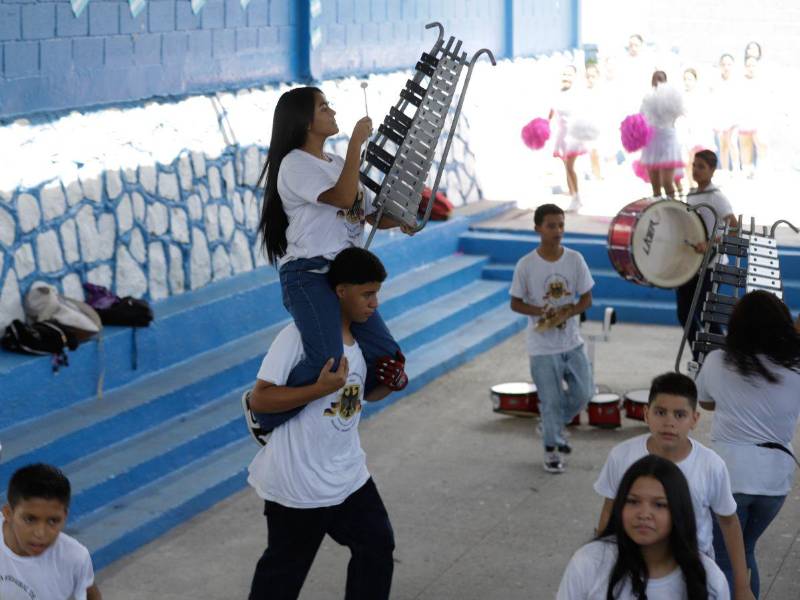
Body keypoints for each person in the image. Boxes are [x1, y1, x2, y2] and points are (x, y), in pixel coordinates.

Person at [254, 86, 409, 435]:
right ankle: (265, 416)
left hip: (344, 277)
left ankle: (338, 402)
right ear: (305, 122)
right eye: (324, 107)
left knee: (388, 361)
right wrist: (356, 142)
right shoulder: (294, 164)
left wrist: (403, 219)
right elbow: (342, 196)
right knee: (327, 357)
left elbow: (371, 214)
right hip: (308, 275)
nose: (332, 111)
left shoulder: (336, 164)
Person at [243, 247, 396, 600]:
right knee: (282, 577)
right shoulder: (298, 337)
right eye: (367, 294)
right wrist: (318, 388)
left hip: (348, 474)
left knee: (377, 546)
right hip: (298, 482)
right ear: (340, 291)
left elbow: (363, 397)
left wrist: (388, 383)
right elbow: (260, 399)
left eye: (377, 294)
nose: (375, 304)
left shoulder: (363, 340)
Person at [594, 372, 754, 600]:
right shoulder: (621, 456)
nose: (669, 422)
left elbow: (729, 522)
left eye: (680, 414)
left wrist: (742, 586)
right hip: (630, 566)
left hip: (692, 573)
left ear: (695, 419)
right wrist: (600, 563)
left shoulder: (711, 466)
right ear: (646, 413)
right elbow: (609, 509)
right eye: (660, 412)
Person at [696, 291, 800, 598]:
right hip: (775, 482)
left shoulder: (717, 361)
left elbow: (705, 402)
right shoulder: (796, 370)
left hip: (731, 476)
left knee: (728, 560)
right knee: (746, 551)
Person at [558, 455, 730, 599]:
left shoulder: (710, 578)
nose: (644, 514)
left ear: (679, 511)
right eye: (633, 501)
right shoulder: (589, 562)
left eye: (659, 505)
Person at [509, 203, 594, 474]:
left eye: (561, 225)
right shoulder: (526, 264)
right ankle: (552, 450)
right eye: (551, 225)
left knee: (584, 392)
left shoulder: (575, 259)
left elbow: (586, 299)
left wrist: (569, 311)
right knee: (551, 400)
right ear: (537, 228)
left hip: (572, 340)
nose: (558, 231)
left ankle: (551, 425)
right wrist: (541, 311)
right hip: (541, 346)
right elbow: (516, 303)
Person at [1, 463, 102, 600]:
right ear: (8, 513)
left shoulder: (73, 558)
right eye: (30, 519)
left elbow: (89, 592)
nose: (40, 533)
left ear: (65, 516)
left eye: (53, 521)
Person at [676, 150, 737, 361]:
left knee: (706, 314)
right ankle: (701, 356)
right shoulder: (691, 195)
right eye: (694, 165)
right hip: (691, 264)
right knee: (684, 314)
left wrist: (712, 242)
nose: (696, 170)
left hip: (711, 265)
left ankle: (723, 357)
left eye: (701, 166)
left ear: (712, 170)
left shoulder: (717, 197)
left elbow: (734, 228)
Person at [639, 71, 685, 198]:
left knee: (667, 182)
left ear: (666, 81)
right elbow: (641, 118)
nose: (657, 81)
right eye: (654, 78)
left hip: (668, 141)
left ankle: (674, 210)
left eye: (660, 78)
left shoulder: (673, 98)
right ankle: (660, 212)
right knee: (655, 186)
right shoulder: (647, 99)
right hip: (651, 143)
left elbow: (677, 114)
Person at [549, 65, 587, 212]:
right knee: (566, 167)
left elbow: (583, 114)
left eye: (569, 74)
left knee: (570, 167)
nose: (566, 77)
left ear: (575, 77)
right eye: (564, 74)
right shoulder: (557, 94)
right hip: (562, 135)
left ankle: (577, 197)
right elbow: (551, 114)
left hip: (573, 135)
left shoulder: (577, 94)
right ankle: (573, 198)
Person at [712, 54, 740, 174]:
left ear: (733, 66)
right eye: (723, 64)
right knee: (722, 145)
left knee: (732, 143)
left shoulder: (737, 81)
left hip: (734, 118)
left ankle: (736, 169)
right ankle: (724, 170)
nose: (726, 67)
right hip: (721, 117)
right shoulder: (715, 82)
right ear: (720, 66)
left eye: (729, 64)